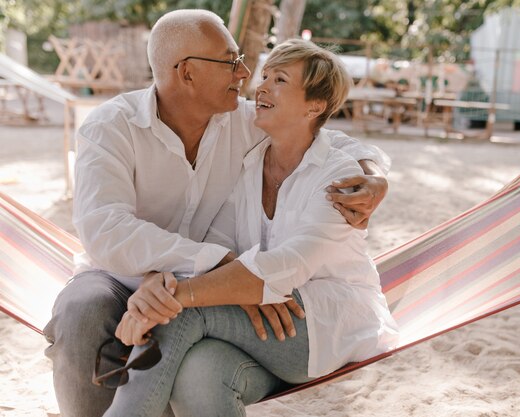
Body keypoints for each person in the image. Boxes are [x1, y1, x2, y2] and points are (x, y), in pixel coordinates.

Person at [42, 9, 391, 417]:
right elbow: (105, 232)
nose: (244, 73)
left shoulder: (243, 123)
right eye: (230, 61)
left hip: (223, 288)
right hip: (124, 275)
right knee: (80, 311)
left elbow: (320, 136)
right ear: (187, 73)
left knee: (190, 343)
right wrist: (222, 267)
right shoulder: (111, 128)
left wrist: (375, 174)